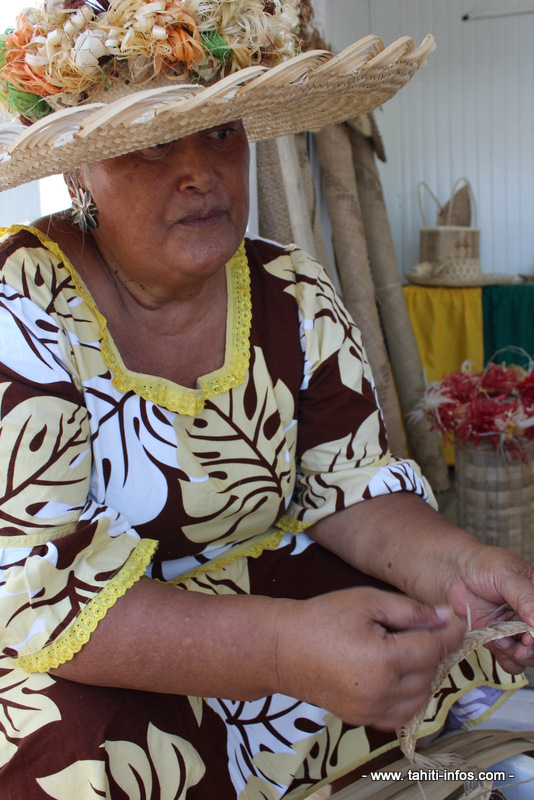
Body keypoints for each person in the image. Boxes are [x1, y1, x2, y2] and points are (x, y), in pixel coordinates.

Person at [0, 2, 533, 798]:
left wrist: (464, 566)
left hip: (292, 620)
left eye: (221, 133)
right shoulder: (21, 307)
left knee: (424, 627)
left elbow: (348, 490)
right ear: (79, 167)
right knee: (67, 733)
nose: (200, 173)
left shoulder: (290, 289)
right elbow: (32, 593)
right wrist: (284, 652)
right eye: (151, 144)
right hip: (103, 655)